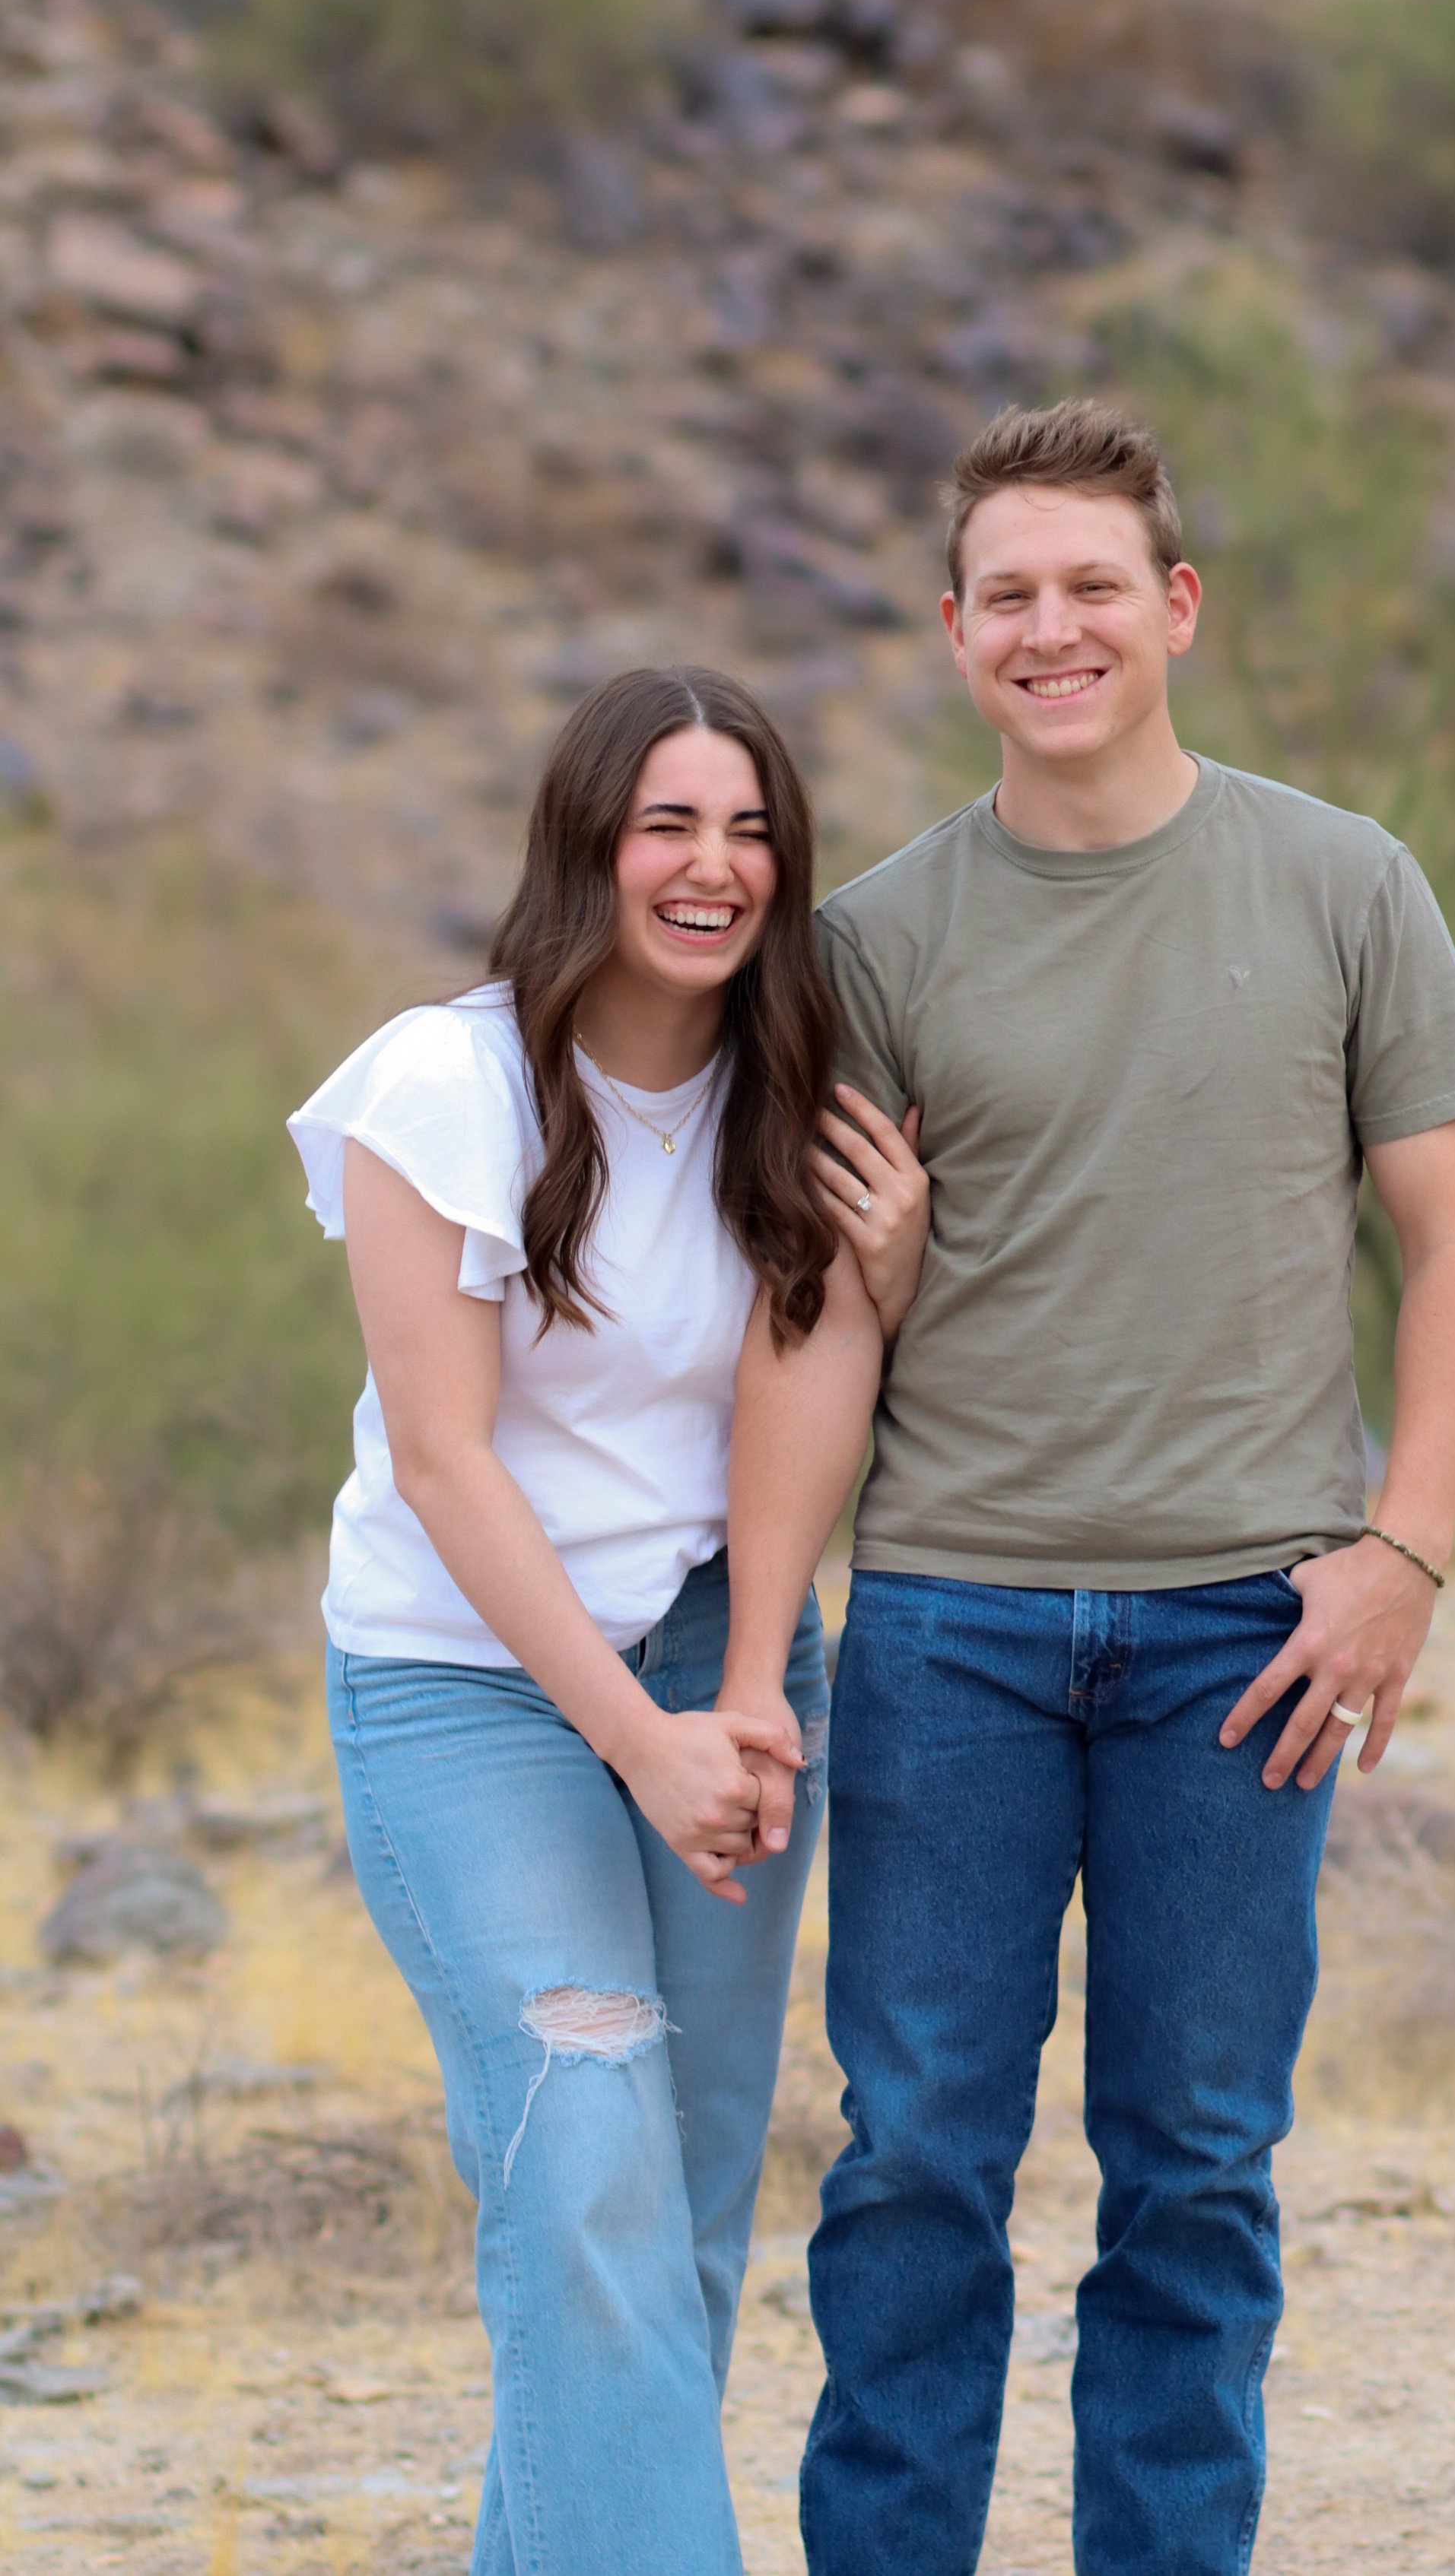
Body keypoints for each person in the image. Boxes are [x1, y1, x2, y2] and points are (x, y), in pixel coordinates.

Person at [735, 400, 1455, 2576]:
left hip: (1242, 1636)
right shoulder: (877, 937)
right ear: (955, 632)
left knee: (1192, 2164)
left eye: (1094, 585)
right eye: (1008, 593)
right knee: (913, 2159)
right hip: (949, 1628)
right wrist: (765, 1651)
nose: (1050, 626)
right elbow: (822, 1310)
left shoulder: (1341, 879)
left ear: (1173, 606)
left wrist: (1402, 1554)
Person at [288, 667, 928, 2576]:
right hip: (470, 1690)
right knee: (581, 2161)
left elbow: (790, 1400)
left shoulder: (799, 1102)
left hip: (717, 1658)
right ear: (586, 845)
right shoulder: (445, 1080)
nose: (712, 865)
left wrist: (734, 1698)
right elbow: (445, 1461)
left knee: (672, 2217)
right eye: (668, 823)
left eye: (749, 829)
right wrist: (635, 1744)